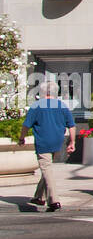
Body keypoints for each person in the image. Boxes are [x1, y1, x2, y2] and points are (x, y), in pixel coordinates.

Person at [20, 81, 76, 212]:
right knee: (47, 168)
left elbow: (26, 125)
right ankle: (38, 196)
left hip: (43, 141)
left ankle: (54, 200)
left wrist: (22, 137)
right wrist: (72, 142)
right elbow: (72, 125)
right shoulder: (62, 106)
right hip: (57, 141)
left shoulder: (37, 106)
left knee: (46, 169)